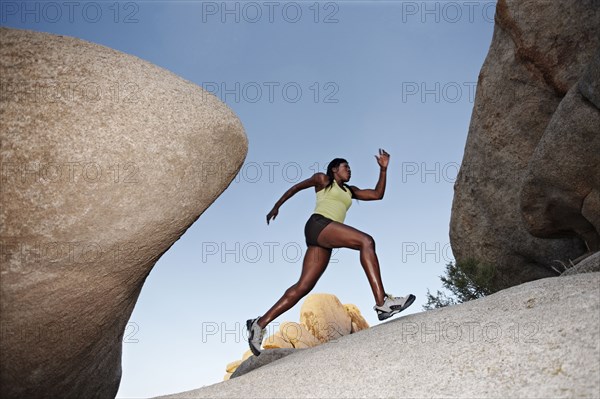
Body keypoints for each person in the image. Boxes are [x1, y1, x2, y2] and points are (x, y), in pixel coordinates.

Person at [246, 149, 415, 356]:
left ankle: (259, 323)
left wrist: (383, 170)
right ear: (335, 169)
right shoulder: (323, 180)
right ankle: (382, 303)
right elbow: (297, 188)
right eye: (346, 167)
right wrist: (276, 206)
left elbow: (377, 194)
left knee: (303, 286)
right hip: (318, 224)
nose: (349, 171)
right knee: (366, 241)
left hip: (323, 240)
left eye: (350, 168)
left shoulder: (350, 191)